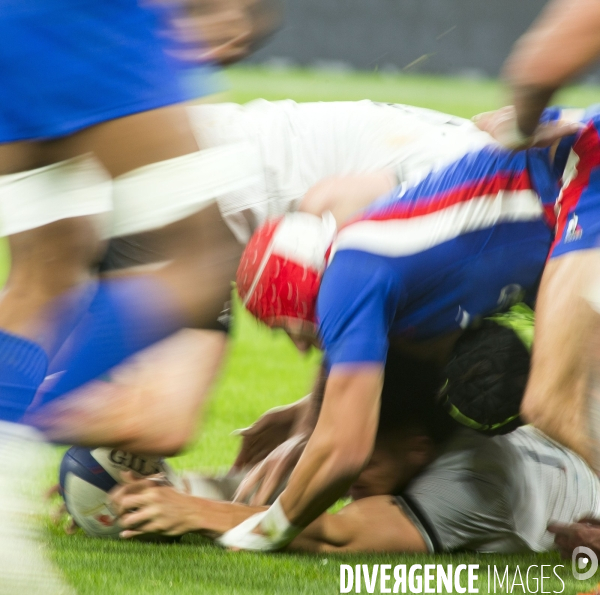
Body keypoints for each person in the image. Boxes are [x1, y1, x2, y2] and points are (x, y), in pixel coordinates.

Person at [27, 100, 494, 452]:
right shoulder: (456, 209)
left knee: (65, 338)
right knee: (158, 419)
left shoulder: (494, 184)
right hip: (195, 191)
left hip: (200, 175)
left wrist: (313, 413)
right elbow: (321, 212)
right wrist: (318, 408)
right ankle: (15, 412)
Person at [111, 323, 600, 556]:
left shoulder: (469, 483)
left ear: (418, 448)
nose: (344, 468)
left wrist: (197, 513)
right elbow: (262, 495)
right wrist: (154, 487)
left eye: (358, 456)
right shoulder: (399, 440)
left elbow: (335, 535)